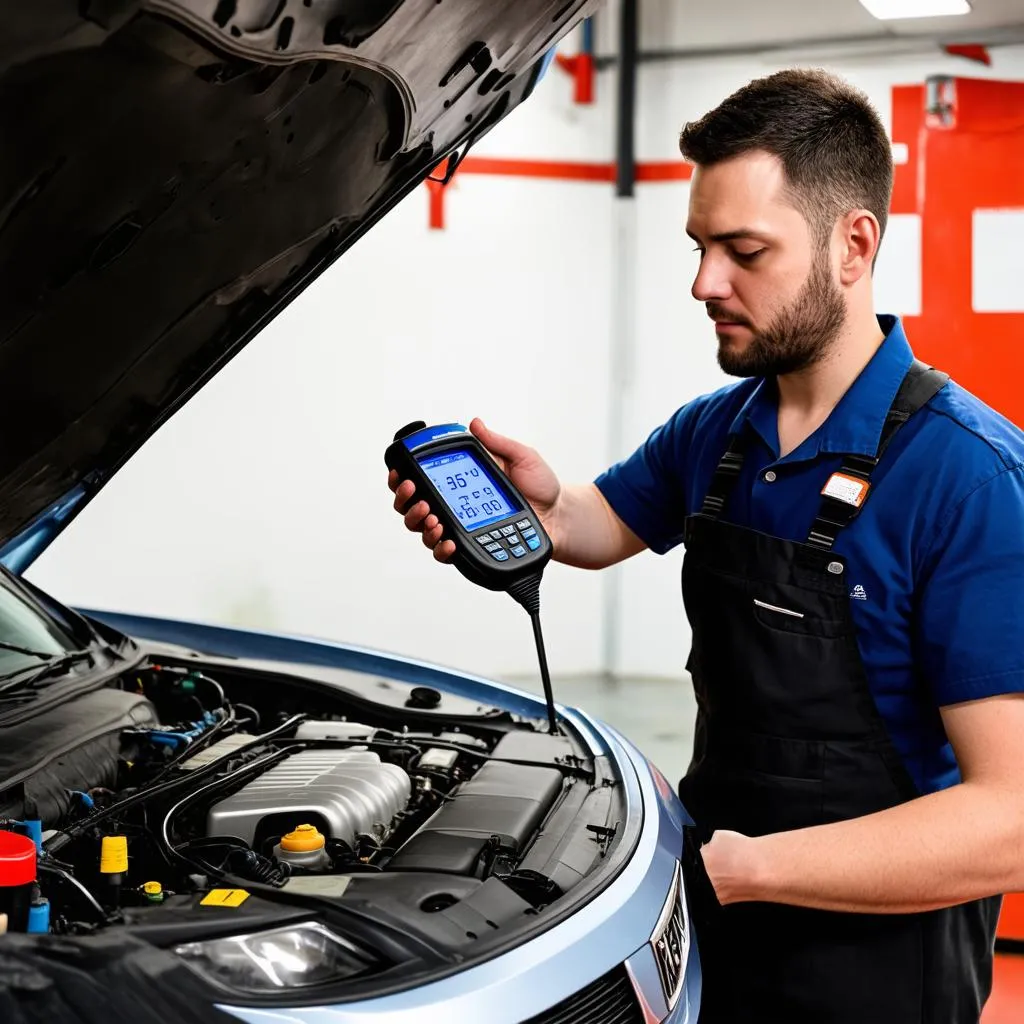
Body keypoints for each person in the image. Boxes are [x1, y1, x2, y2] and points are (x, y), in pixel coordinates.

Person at [387, 68, 1024, 1023]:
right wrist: (545, 508)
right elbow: (597, 524)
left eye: (744, 251)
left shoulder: (971, 480)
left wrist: (751, 867)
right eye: (698, 246)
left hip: (878, 965)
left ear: (855, 246)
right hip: (712, 924)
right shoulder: (718, 430)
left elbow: (1008, 821)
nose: (703, 283)